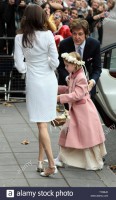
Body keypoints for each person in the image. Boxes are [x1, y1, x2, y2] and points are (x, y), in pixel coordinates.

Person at [14, 4, 59, 177]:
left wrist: (29, 67)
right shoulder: (48, 34)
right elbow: (55, 63)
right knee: (44, 123)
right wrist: (45, 62)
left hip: (34, 81)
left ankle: (51, 165)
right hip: (49, 80)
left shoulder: (20, 38)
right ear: (41, 17)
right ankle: (40, 161)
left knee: (41, 123)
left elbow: (19, 65)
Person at [56, 52, 107, 170]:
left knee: (86, 136)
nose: (65, 67)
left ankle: (93, 162)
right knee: (69, 133)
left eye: (67, 65)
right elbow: (69, 89)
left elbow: (77, 95)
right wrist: (56, 88)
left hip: (83, 111)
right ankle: (61, 158)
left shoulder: (81, 77)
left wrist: (59, 98)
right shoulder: (73, 75)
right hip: (77, 110)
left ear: (75, 65)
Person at [58, 18, 102, 97]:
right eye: (74, 33)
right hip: (67, 86)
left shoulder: (94, 44)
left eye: (80, 34)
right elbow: (60, 66)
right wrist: (67, 78)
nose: (77, 37)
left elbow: (97, 68)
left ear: (86, 34)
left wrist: (92, 82)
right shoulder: (64, 44)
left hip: (86, 86)